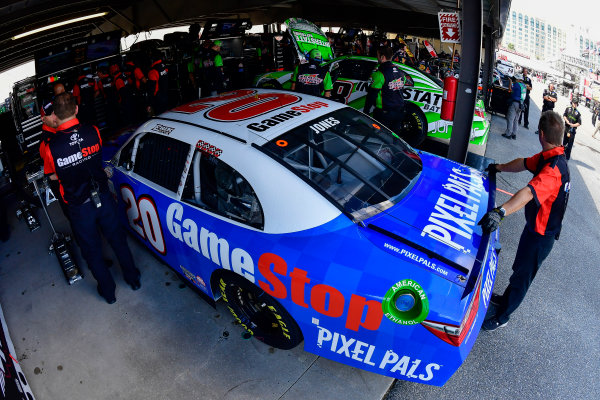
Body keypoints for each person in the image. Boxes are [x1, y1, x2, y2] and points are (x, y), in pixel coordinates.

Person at [42, 93, 141, 304]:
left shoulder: (51, 147)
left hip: (79, 207)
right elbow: (95, 156)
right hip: (103, 197)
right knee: (118, 239)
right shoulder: (93, 130)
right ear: (76, 109)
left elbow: (51, 174)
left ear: (55, 116)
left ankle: (108, 293)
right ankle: (133, 278)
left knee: (92, 251)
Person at [479, 111, 570, 330]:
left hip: (541, 236)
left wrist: (500, 212)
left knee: (523, 278)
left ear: (540, 134)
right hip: (534, 229)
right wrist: (499, 167)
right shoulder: (551, 156)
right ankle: (505, 300)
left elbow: (528, 193)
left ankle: (503, 317)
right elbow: (524, 163)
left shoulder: (554, 170)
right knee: (519, 269)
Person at [363, 46, 419, 146]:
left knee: (380, 140)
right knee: (395, 139)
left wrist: (366, 111)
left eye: (378, 56)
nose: (377, 58)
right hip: (400, 112)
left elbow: (372, 95)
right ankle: (394, 156)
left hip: (384, 114)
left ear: (383, 57)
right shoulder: (401, 73)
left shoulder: (379, 74)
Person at [502, 72, 526, 140]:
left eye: (515, 78)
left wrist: (510, 81)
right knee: (516, 120)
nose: (514, 79)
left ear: (518, 79)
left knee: (510, 118)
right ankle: (514, 134)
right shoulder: (524, 86)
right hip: (521, 104)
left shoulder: (516, 84)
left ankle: (508, 134)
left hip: (515, 103)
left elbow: (510, 89)